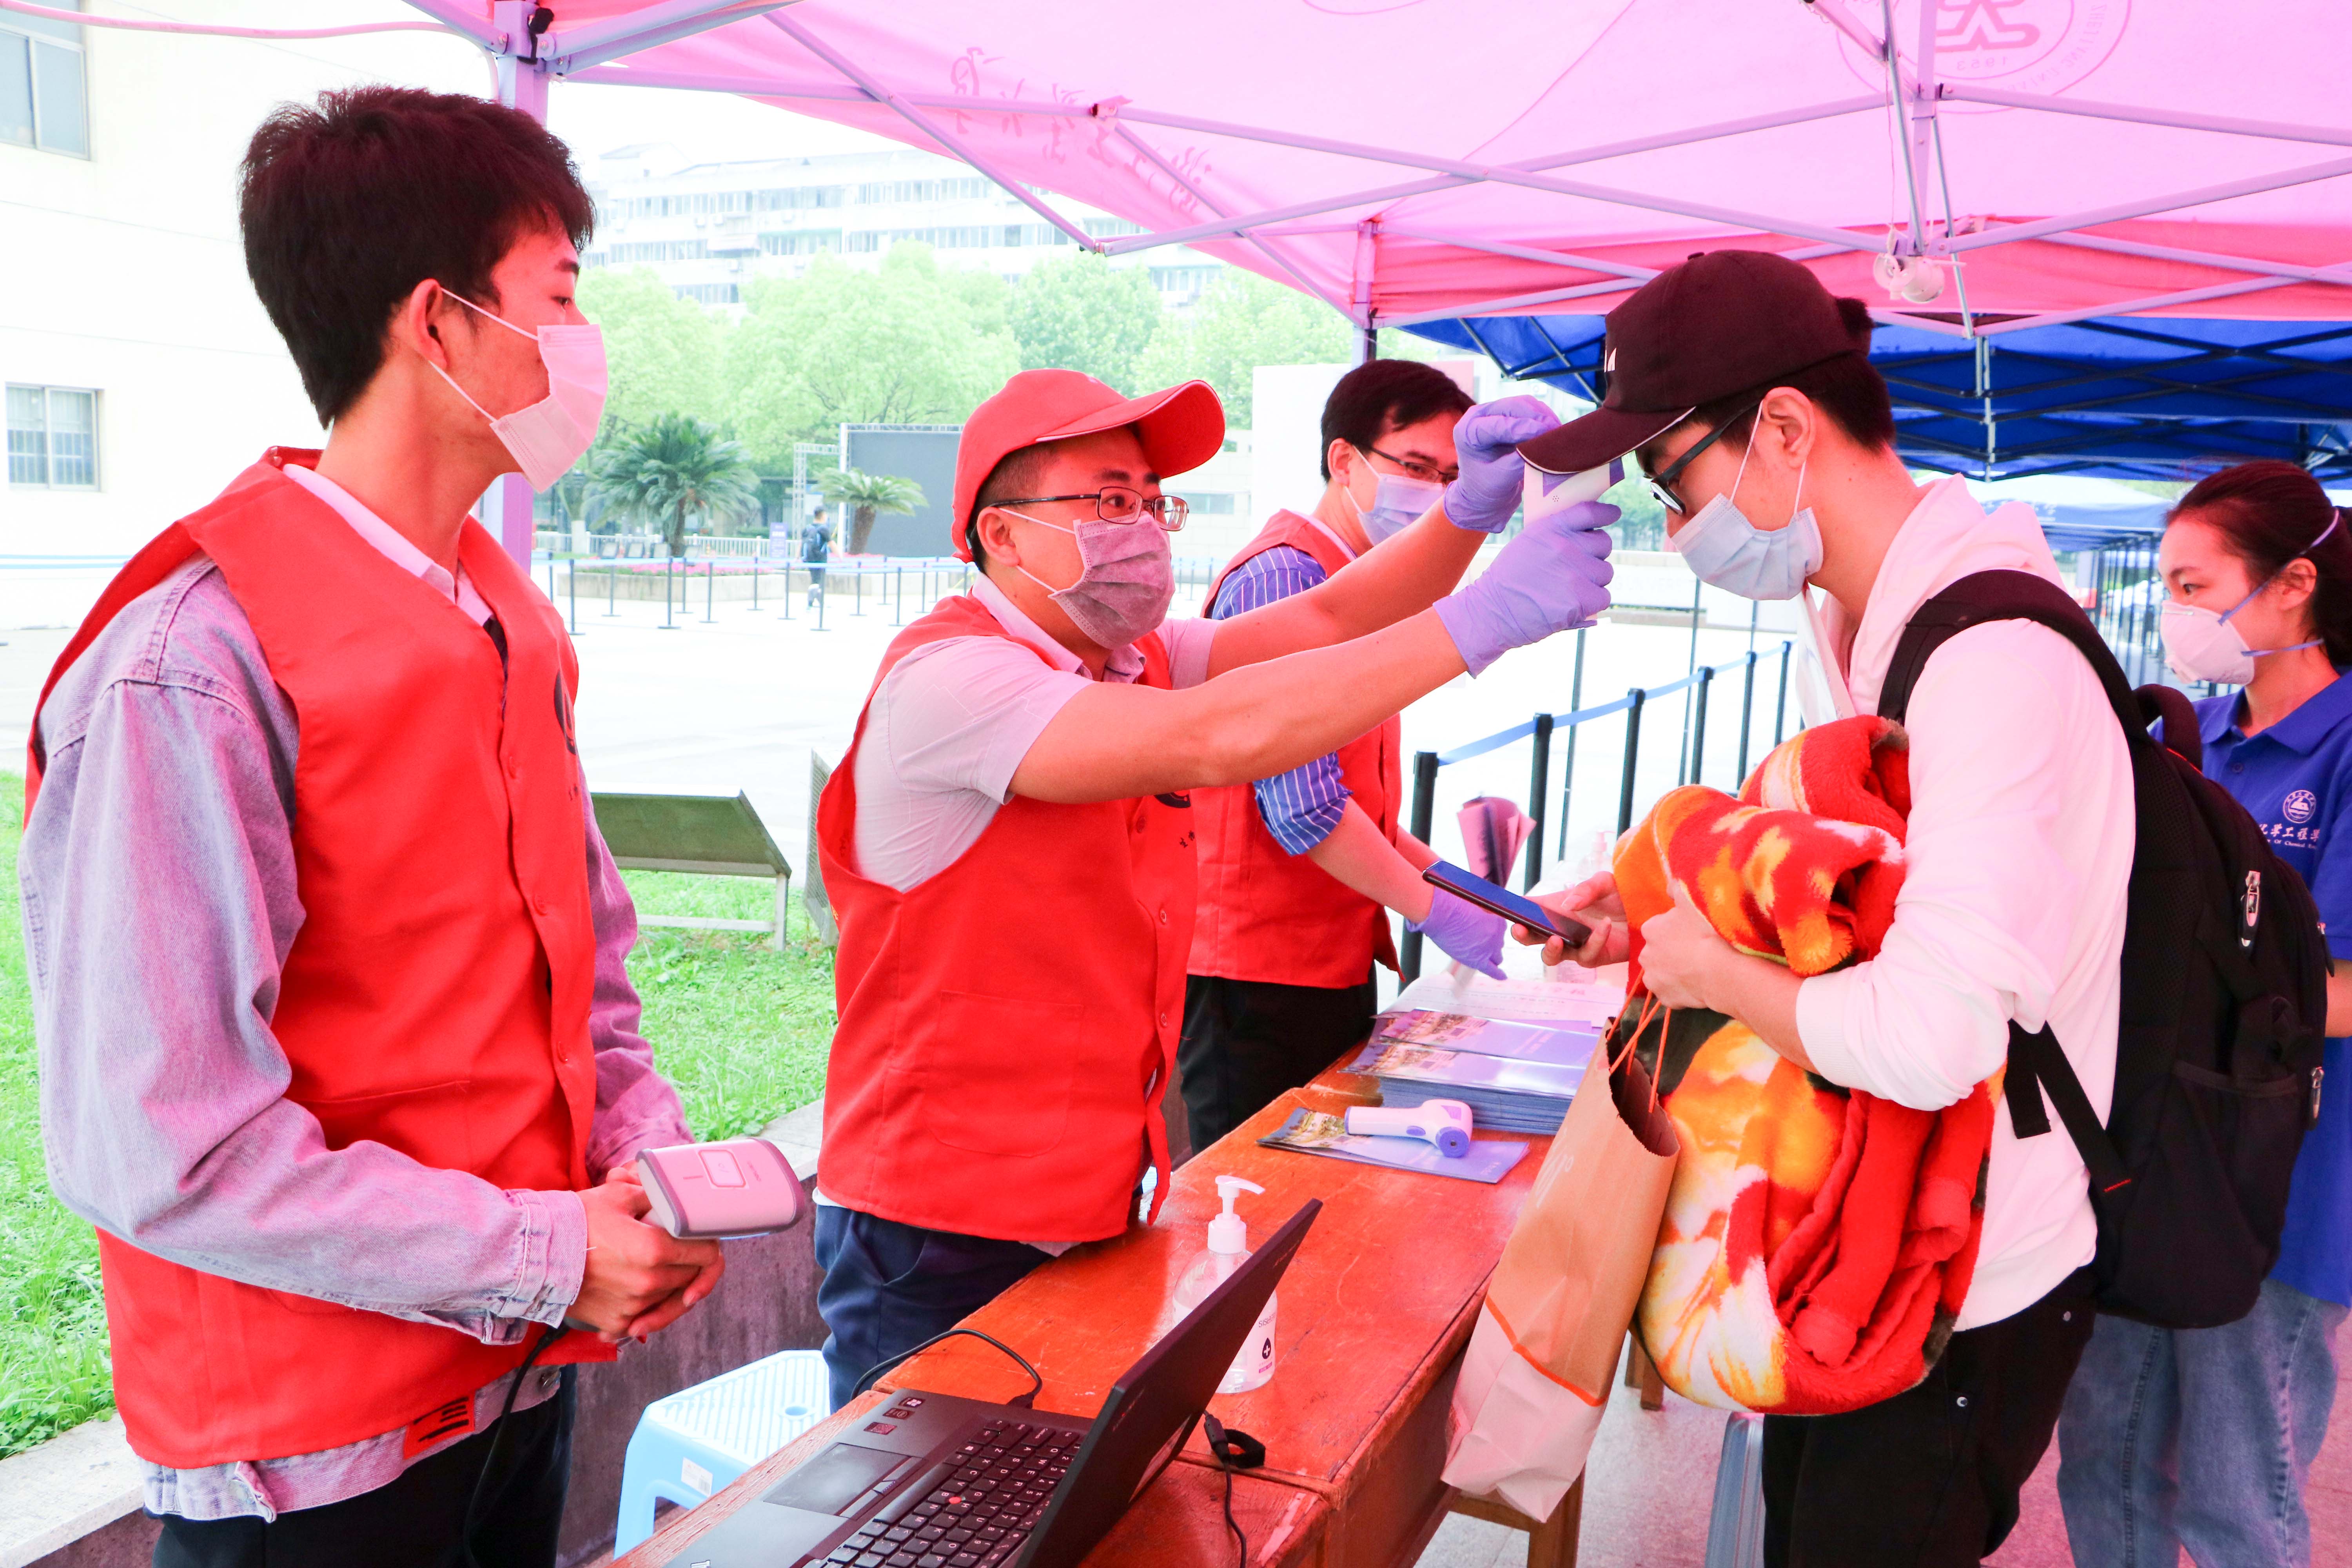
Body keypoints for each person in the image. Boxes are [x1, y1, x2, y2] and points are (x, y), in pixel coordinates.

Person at [21, 88, 722, 1567]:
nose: (586, 346)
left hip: (514, 1383)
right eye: (562, 295)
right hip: (314, 1473)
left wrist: (648, 1163)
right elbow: (160, 1146)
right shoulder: (189, 665)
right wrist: (541, 1252)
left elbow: (581, 975)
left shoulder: (505, 618)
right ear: (439, 322)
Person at [809, 366, 1615, 1407]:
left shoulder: (1121, 659)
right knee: (926, 1520)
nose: (1143, 527)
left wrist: (1465, 521)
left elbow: (1325, 622)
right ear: (1002, 536)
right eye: (1108, 500)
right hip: (938, 1229)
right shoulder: (958, 683)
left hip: (1092, 1198)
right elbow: (1222, 734)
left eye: (1151, 501)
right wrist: (1492, 613)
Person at [1521, 251, 2132, 1567]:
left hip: (1966, 1274)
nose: (1669, 521)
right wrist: (1646, 931)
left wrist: (1705, 975)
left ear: (1786, 430)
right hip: (1874, 1229)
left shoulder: (1989, 663)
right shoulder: (1861, 620)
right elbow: (1855, 908)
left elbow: (1933, 1034)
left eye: (1671, 474)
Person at [2055, 460, 2352, 1568]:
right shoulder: (2184, 745)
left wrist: (2172, 1009)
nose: (2180, 613)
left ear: (2292, 587)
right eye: (2169, 587)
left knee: (2238, 1493)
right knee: (2107, 1456)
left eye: (2196, 585)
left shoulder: (2344, 751)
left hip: (2288, 1184)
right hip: (2146, 1159)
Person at [1181, 359, 1506, 1152]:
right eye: (1418, 468)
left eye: (1455, 478)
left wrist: (1489, 903)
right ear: (1344, 461)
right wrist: (1432, 908)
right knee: (1252, 1207)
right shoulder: (1283, 576)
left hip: (1325, 962)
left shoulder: (1363, 585)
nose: (1436, 494)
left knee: (1322, 1186)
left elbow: (1363, 807)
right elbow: (1303, 807)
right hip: (1250, 981)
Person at [804, 503, 832, 608]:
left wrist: (797, 557)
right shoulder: (824, 529)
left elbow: (801, 543)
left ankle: (818, 602)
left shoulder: (808, 528)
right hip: (820, 559)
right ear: (822, 515)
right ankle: (811, 602)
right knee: (818, 582)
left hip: (810, 559)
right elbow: (831, 543)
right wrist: (840, 557)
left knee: (816, 581)